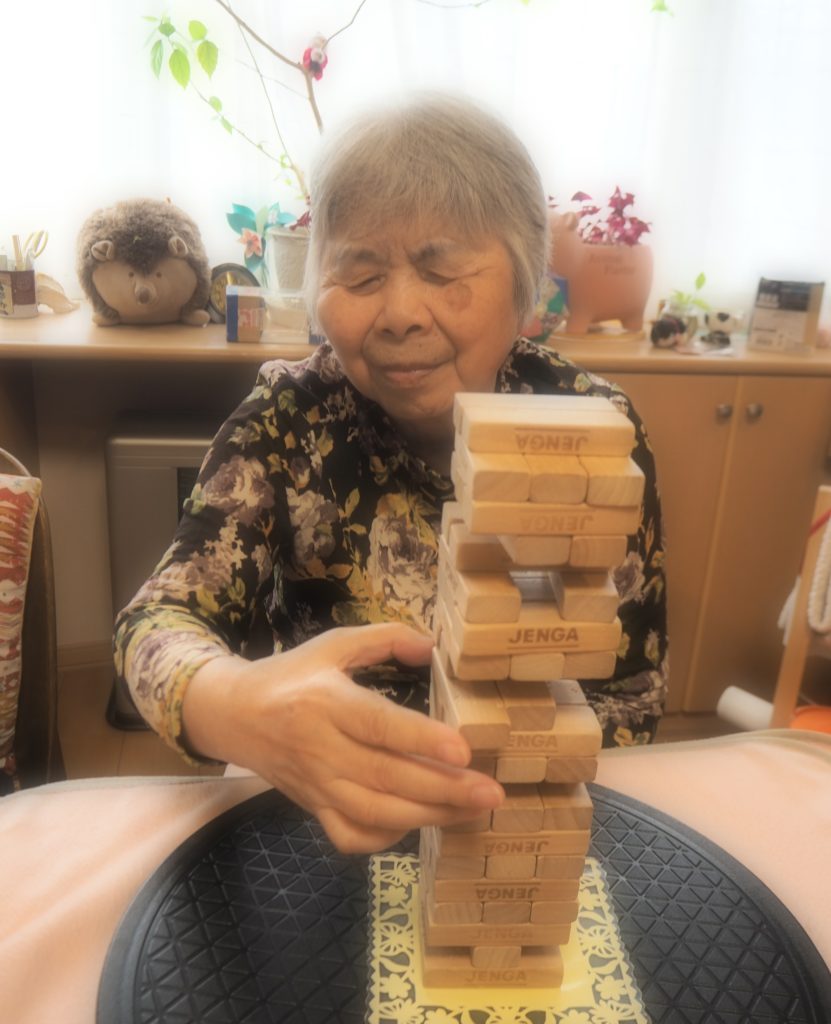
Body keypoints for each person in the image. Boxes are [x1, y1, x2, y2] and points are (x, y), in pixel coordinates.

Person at [114, 94, 668, 855]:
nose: (401, 312)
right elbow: (157, 623)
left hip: (520, 826)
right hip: (327, 814)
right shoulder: (288, 418)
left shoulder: (594, 430)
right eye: (361, 274)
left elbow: (632, 690)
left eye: (443, 269)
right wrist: (235, 702)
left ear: (525, 289)